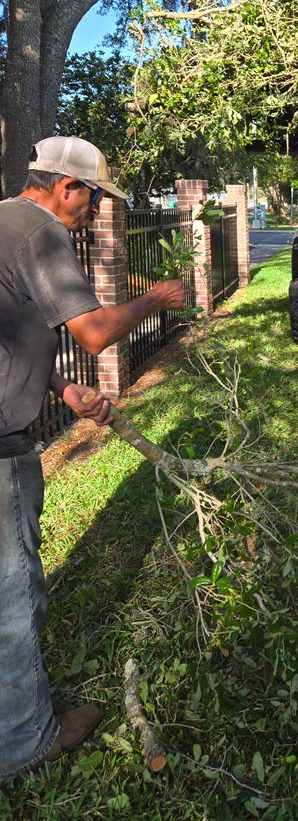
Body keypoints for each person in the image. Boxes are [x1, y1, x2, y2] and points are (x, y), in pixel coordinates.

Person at [0, 136, 185, 779]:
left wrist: (60, 386)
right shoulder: (41, 232)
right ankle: (27, 741)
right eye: (96, 199)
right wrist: (156, 299)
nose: (97, 213)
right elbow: (97, 331)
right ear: (66, 187)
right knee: (14, 594)